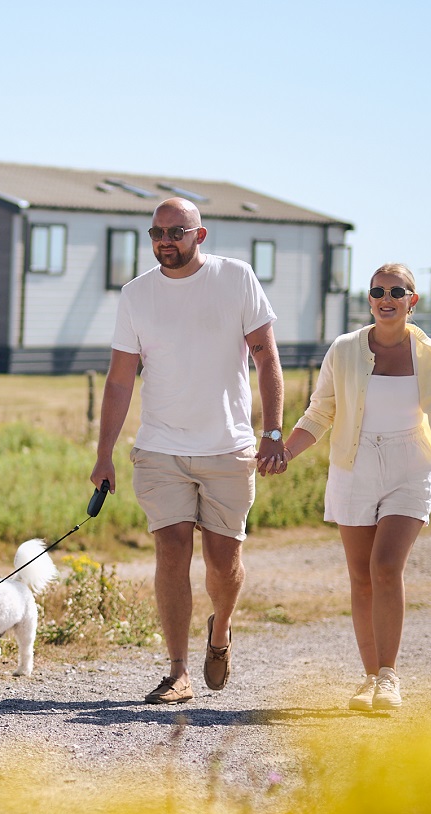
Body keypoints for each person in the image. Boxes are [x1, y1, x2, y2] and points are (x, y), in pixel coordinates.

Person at [91, 198, 286, 704]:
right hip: (160, 448)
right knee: (171, 550)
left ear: (200, 236)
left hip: (228, 447)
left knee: (223, 562)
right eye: (156, 232)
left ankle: (220, 629)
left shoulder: (236, 279)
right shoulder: (136, 295)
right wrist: (104, 453)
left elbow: (266, 360)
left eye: (176, 232)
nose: (164, 241)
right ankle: (177, 671)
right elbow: (118, 381)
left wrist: (273, 432)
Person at [279, 263, 431, 711]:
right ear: (369, 299)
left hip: (410, 464)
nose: (386, 298)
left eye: (396, 291)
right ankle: (368, 679)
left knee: (386, 566)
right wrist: (284, 452)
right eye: (377, 291)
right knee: (361, 578)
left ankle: (389, 678)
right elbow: (320, 411)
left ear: (412, 301)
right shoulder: (344, 349)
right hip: (354, 462)